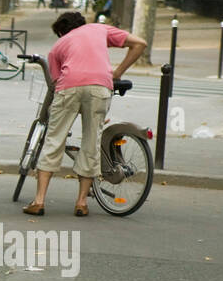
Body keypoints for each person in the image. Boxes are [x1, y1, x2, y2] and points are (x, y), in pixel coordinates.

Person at [22, 11, 146, 217]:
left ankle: (39, 201)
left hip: (68, 87)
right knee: (91, 143)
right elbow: (140, 43)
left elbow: (54, 83)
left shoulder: (58, 46)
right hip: (99, 87)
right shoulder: (99, 28)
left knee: (54, 140)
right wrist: (118, 73)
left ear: (62, 31)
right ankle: (81, 203)